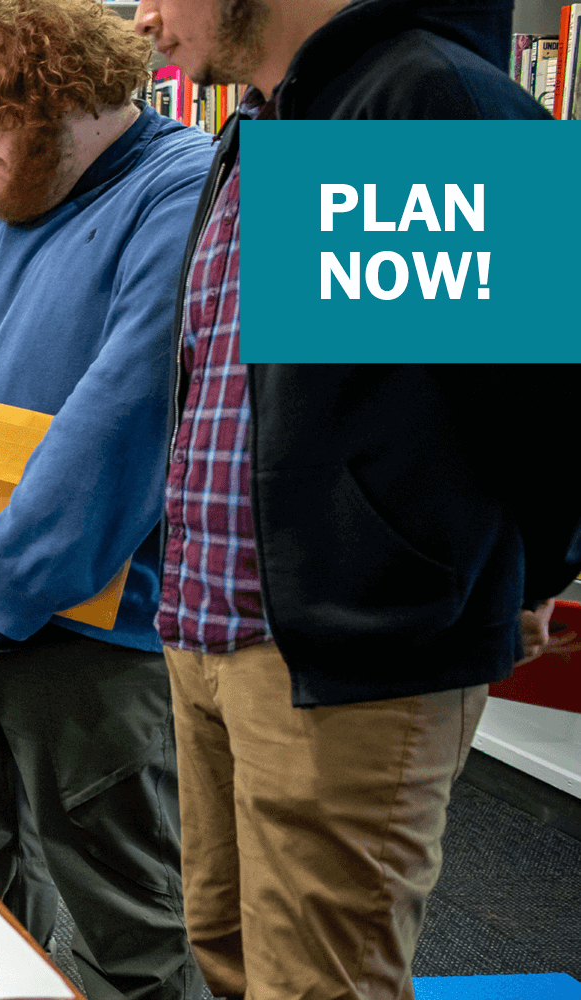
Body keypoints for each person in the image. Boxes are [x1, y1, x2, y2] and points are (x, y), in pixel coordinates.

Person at [132, 0, 581, 997]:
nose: (142, 19)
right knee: (230, 952)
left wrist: (532, 567)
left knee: (318, 980)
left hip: (342, 649)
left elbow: (542, 395)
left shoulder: (425, 99)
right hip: (211, 626)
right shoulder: (263, 124)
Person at [0, 0, 212, 996]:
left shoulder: (178, 189)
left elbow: (129, 401)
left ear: (71, 103)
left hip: (87, 629)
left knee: (124, 918)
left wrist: (7, 572)